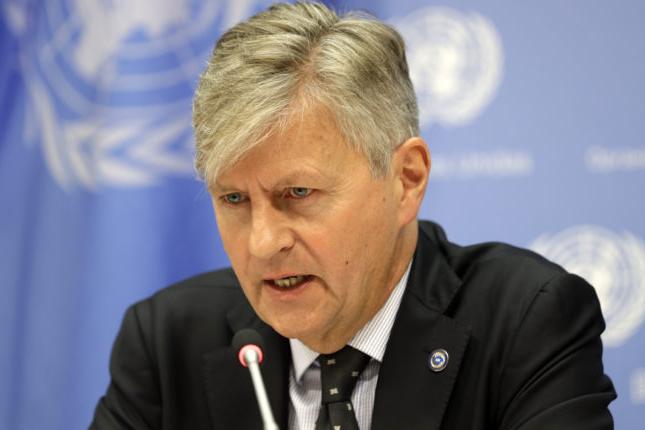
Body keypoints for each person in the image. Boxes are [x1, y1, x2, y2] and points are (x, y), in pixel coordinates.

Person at [90, 2, 616, 429]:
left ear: (406, 179)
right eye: (233, 200)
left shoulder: (527, 323)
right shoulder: (166, 341)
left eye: (297, 193)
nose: (262, 243)